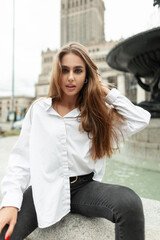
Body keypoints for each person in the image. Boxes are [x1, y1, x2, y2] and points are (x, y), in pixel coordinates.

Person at [0, 42, 150, 240]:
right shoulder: (39, 110)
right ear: (57, 73)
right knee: (4, 231)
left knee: (130, 203)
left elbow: (141, 119)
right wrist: (10, 203)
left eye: (78, 70)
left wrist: (105, 91)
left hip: (84, 189)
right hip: (45, 188)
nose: (70, 77)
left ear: (87, 75)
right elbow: (21, 160)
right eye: (65, 70)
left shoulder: (98, 113)